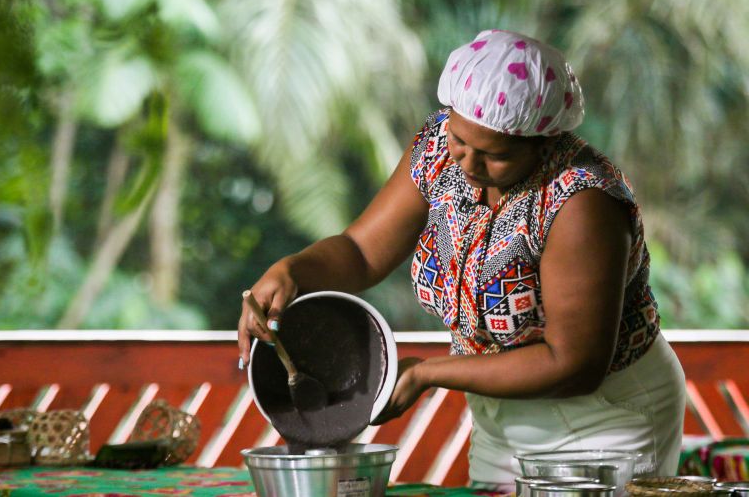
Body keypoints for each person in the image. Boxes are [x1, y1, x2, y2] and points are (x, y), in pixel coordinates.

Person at [237, 29, 686, 486]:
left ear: (544, 140)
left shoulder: (580, 202)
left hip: (605, 420)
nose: (469, 164)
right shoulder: (437, 150)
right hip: (502, 420)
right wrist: (291, 270)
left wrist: (428, 372)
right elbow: (360, 252)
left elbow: (572, 364)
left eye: (496, 155)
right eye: (460, 140)